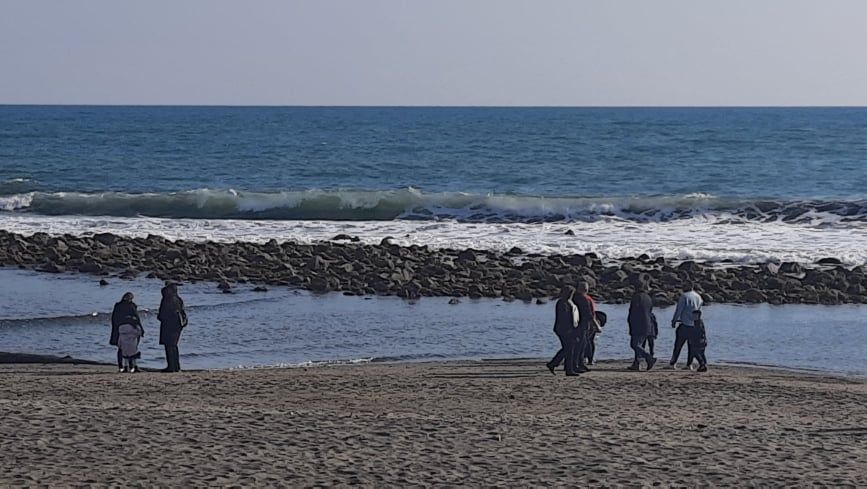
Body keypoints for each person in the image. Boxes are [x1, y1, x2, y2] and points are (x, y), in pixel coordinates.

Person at [546, 286, 581, 376]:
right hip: (563, 329)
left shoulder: (567, 302)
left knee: (568, 348)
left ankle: (555, 364)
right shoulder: (562, 303)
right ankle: (566, 369)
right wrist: (569, 329)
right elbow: (564, 318)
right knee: (568, 348)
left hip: (567, 329)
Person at [669, 282, 703, 369]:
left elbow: (679, 310)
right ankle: (689, 364)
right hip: (694, 325)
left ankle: (673, 363)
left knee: (678, 345)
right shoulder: (698, 297)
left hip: (685, 324)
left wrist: (674, 320)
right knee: (691, 346)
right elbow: (699, 311)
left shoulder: (684, 296)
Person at [158, 283, 187, 373]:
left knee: (169, 346)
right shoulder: (178, 299)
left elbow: (163, 312)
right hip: (177, 325)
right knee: (173, 346)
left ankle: (171, 366)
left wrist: (160, 317)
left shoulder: (167, 299)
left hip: (168, 325)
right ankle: (176, 366)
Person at [627, 283, 657, 371]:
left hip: (638, 323)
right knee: (640, 345)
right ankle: (636, 363)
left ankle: (649, 358)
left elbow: (633, 311)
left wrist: (630, 323)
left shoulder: (636, 297)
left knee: (635, 345)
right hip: (648, 323)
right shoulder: (648, 298)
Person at [110, 292, 141, 373]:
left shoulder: (118, 305)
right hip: (131, 328)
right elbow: (137, 317)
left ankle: (122, 366)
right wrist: (140, 329)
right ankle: (132, 366)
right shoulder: (131, 306)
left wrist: (115, 328)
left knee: (121, 348)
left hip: (121, 328)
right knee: (132, 348)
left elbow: (114, 318)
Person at [572, 281, 594, 373]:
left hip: (576, 324)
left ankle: (579, 363)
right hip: (582, 324)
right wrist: (595, 324)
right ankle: (578, 364)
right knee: (581, 345)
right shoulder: (583, 299)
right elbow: (589, 314)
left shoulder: (574, 298)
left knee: (582, 344)